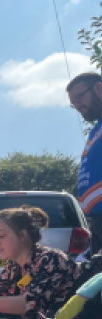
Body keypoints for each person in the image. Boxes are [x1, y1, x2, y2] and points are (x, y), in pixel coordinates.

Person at [68, 72, 102, 254]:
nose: (77, 105)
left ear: (99, 88)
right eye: (73, 104)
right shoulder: (96, 130)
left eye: (79, 97)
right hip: (97, 221)